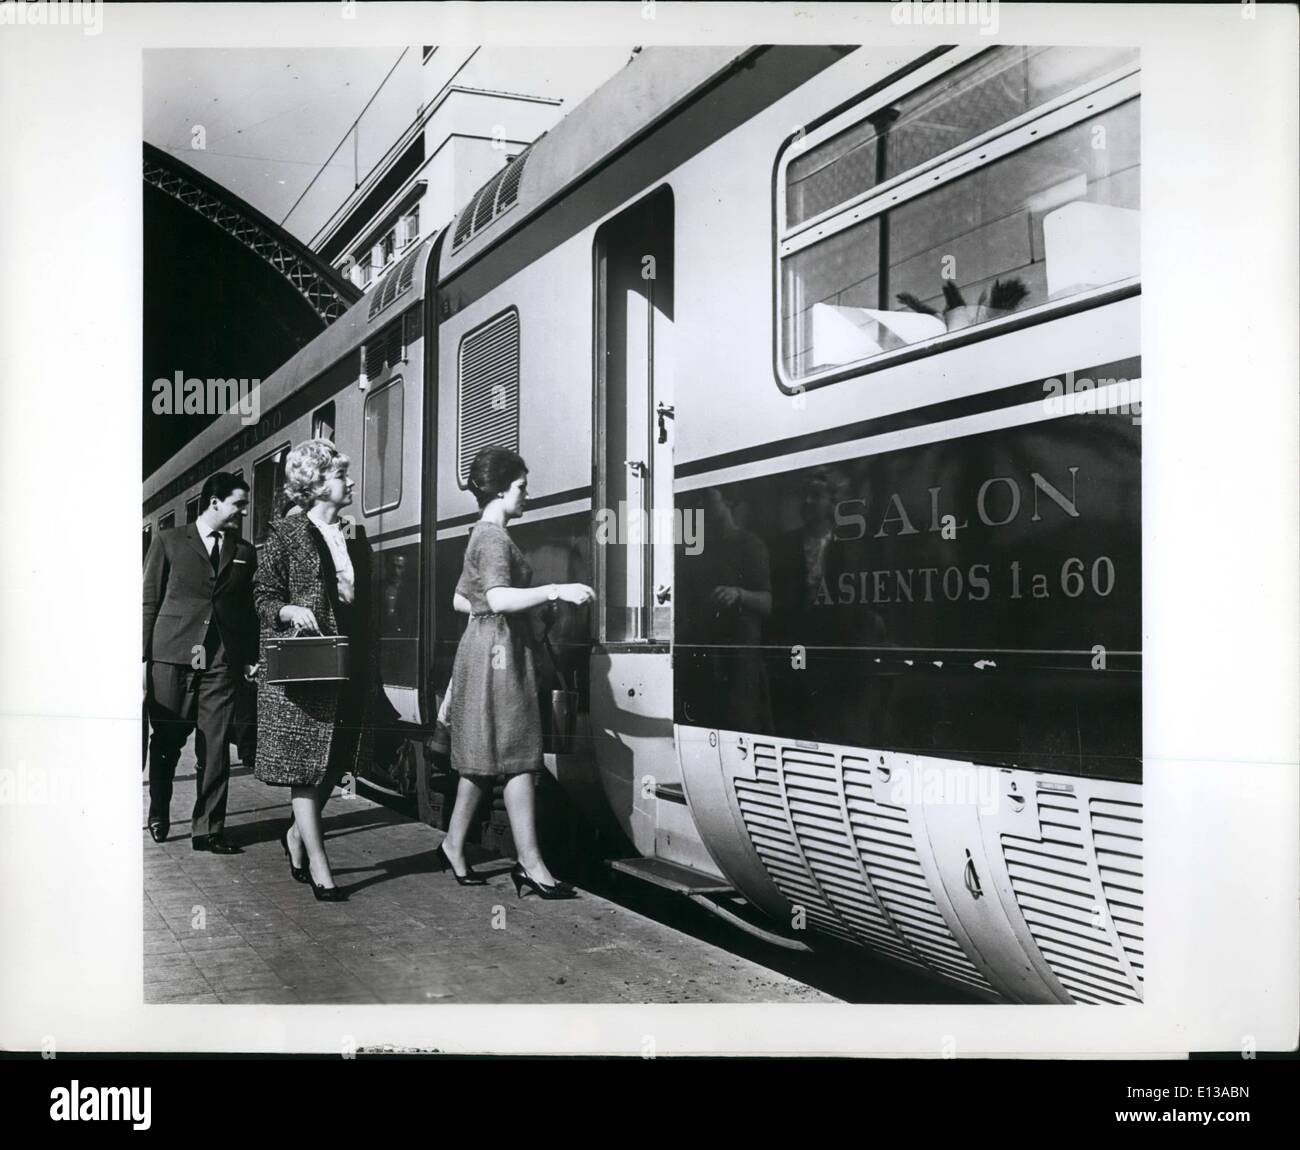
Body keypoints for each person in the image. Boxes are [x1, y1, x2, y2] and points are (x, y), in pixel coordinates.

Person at [438, 446, 595, 899]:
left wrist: (498, 612)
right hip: (500, 654)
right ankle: (530, 864)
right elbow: (501, 598)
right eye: (522, 487)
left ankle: (452, 844)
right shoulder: (493, 538)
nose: (527, 494)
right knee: (521, 756)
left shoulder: (481, 535)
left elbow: (459, 600)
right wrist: (555, 591)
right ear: (503, 488)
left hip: (485, 649)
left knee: (487, 755)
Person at [252, 439, 379, 902]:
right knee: (308, 768)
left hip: (348, 659)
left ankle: (294, 836)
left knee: (335, 761)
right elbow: (262, 596)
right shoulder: (284, 535)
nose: (349, 483)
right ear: (319, 484)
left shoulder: (351, 536)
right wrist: (287, 610)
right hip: (309, 665)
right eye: (342, 476)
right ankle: (320, 865)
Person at [142, 472, 258, 851]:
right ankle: (159, 810)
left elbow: (247, 611)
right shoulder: (169, 541)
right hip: (172, 656)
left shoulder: (244, 551)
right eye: (238, 504)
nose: (243, 511)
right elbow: (149, 602)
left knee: (215, 743)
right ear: (215, 503)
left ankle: (208, 828)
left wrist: (249, 657)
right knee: (168, 741)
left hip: (220, 659)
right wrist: (139, 660)